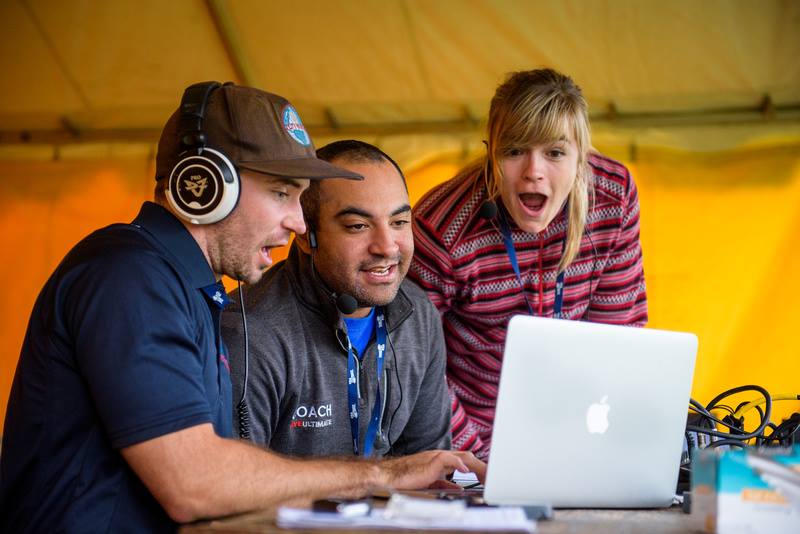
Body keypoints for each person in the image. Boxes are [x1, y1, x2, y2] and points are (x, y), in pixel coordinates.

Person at [0, 82, 484, 533]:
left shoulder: (179, 286)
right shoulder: (128, 278)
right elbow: (195, 484)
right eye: (280, 193)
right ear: (206, 186)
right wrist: (381, 475)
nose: (298, 223)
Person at [409, 68, 648, 460]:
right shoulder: (440, 227)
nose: (533, 171)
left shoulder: (614, 197)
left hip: (578, 425)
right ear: (491, 151)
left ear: (581, 156)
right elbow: (414, 364)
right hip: (469, 432)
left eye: (555, 152)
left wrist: (594, 439)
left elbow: (618, 335)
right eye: (515, 150)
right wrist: (481, 459)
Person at [221, 140, 451, 458]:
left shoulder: (420, 315)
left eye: (399, 223)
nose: (387, 247)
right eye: (358, 226)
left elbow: (429, 467)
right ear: (305, 234)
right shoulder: (249, 333)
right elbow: (236, 489)